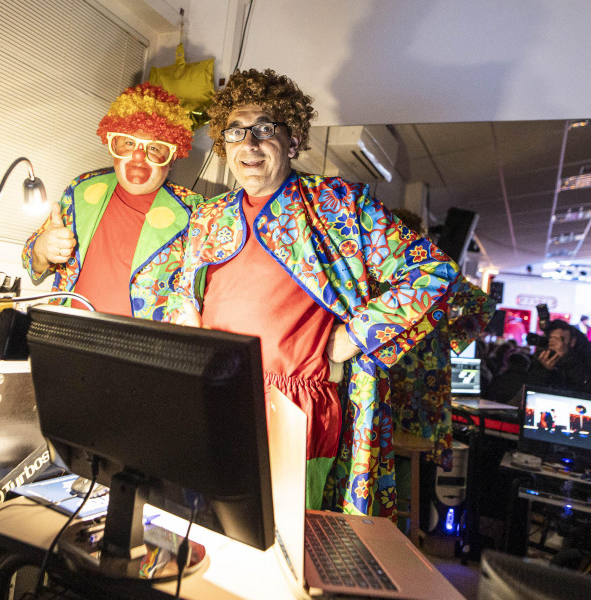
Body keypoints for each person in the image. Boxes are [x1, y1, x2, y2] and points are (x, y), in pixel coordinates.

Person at [166, 68, 461, 516]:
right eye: (235, 131)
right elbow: (181, 289)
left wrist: (354, 336)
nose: (249, 143)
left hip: (294, 408)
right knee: (204, 533)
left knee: (279, 549)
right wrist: (186, 321)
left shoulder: (338, 205)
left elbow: (435, 273)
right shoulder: (210, 216)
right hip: (213, 399)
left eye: (265, 129)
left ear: (293, 138)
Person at [22, 83, 202, 320]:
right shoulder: (80, 190)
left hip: (144, 351)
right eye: (128, 143)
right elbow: (32, 260)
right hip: (69, 337)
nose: (138, 157)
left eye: (154, 147)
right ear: (112, 145)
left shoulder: (196, 211)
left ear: (171, 157)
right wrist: (41, 250)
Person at [387, 210, 495, 471]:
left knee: (386, 453)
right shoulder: (439, 272)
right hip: (426, 374)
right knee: (417, 459)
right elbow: (484, 305)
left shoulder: (381, 271)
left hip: (391, 371)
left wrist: (448, 340)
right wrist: (449, 341)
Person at [528, 320, 591, 394]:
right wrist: (545, 370)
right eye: (552, 340)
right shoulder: (545, 354)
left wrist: (567, 358)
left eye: (560, 339)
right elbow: (532, 386)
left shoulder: (590, 352)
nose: (556, 344)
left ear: (572, 341)